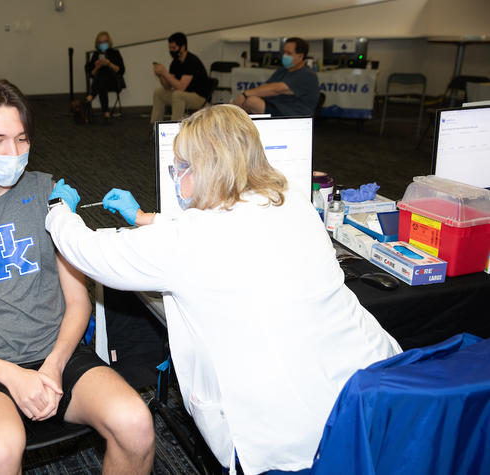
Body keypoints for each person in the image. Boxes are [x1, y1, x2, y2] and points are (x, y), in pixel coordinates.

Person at [45, 104, 402, 474]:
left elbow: (92, 253)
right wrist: (144, 219)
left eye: (180, 168)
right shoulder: (293, 202)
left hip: (292, 436)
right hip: (378, 392)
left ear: (207, 170)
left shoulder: (188, 241)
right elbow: (226, 224)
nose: (176, 176)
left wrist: (59, 211)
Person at [0, 79, 155, 474]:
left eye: (22, 139)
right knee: (2, 448)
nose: (14, 153)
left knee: (136, 423)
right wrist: (14, 377)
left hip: (56, 353)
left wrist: (52, 366)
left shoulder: (46, 194)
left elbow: (78, 302)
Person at [232, 37, 319, 116]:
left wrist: (245, 94)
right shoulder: (283, 71)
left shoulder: (307, 75)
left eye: (289, 53)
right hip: (277, 106)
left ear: (300, 56)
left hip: (293, 113)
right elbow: (266, 88)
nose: (285, 56)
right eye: (284, 52)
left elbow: (277, 89)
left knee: (252, 102)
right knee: (246, 103)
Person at [150, 32, 210, 123]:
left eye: (174, 48)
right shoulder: (175, 62)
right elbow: (167, 87)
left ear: (183, 47)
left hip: (199, 97)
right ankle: (155, 125)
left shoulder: (191, 61)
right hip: (185, 95)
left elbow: (181, 87)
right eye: (170, 48)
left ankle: (174, 129)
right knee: (159, 92)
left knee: (177, 94)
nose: (171, 51)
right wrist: (160, 75)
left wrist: (165, 73)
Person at [84, 31, 125, 121]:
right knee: (102, 80)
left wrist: (110, 64)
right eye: (100, 42)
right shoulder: (95, 54)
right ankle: (106, 113)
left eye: (105, 41)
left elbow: (121, 71)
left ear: (109, 42)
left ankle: (91, 96)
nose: (103, 44)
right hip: (101, 83)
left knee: (103, 75)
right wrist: (97, 67)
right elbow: (91, 74)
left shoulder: (115, 53)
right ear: (97, 44)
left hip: (115, 81)